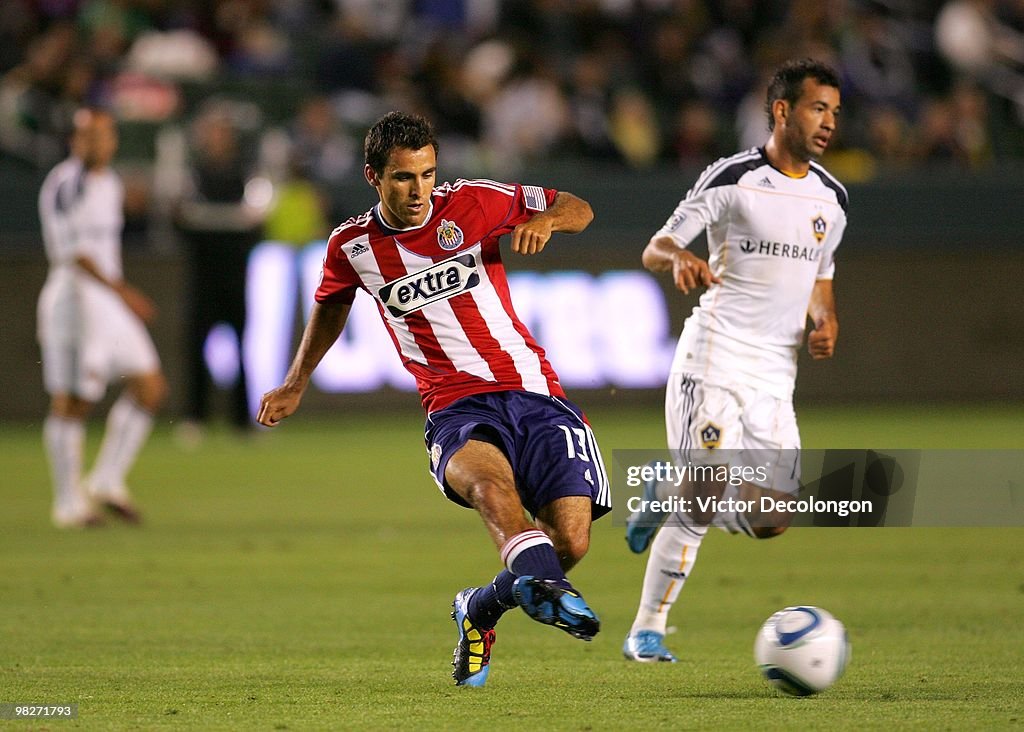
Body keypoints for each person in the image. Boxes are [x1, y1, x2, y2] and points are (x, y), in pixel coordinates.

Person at [257, 111, 611, 686]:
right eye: (403, 178)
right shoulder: (352, 246)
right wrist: (296, 381)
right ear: (375, 177)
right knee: (490, 489)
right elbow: (331, 302)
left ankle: (480, 608)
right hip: (454, 407)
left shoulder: (475, 201)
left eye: (426, 174)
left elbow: (580, 206)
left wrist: (545, 221)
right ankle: (551, 588)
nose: (418, 189)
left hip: (534, 391)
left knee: (570, 539)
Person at [621, 59, 847, 662]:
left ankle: (665, 492)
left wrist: (825, 322)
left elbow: (819, 283)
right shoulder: (732, 177)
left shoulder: (832, 198)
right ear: (782, 111)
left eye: (834, 111)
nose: (828, 122)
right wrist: (678, 259)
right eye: (816, 108)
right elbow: (656, 245)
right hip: (715, 356)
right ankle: (648, 629)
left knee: (773, 519)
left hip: (775, 374)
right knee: (706, 486)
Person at [37, 107, 167, 528]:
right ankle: (67, 503)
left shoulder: (109, 183)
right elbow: (72, 254)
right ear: (74, 141)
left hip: (108, 301)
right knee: (73, 401)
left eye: (104, 135)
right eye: (87, 136)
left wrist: (117, 295)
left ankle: (106, 480)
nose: (96, 143)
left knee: (149, 387)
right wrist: (124, 292)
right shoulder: (64, 184)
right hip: (74, 300)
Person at [175, 107, 263, 440]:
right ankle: (194, 416)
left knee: (241, 346)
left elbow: (254, 221)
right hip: (202, 275)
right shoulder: (194, 174)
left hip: (235, 275)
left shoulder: (245, 173)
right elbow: (182, 220)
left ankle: (242, 419)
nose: (217, 139)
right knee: (197, 344)